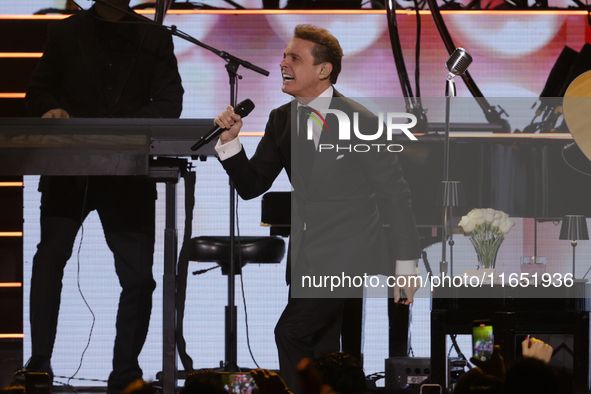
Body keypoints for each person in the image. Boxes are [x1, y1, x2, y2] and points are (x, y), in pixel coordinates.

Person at [214, 24, 420, 393]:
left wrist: (406, 263)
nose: (282, 63)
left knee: (290, 332)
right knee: (321, 354)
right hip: (307, 255)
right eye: (283, 55)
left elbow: (395, 194)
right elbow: (252, 185)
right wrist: (230, 145)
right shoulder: (280, 119)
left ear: (323, 70)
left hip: (348, 254)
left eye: (294, 57)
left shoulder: (361, 121)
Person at [16, 0, 183, 390]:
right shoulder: (65, 32)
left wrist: (116, 133)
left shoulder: (154, 36)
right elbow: (38, 91)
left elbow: (169, 103)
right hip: (70, 168)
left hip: (128, 172)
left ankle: (125, 372)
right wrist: (52, 108)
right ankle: (39, 360)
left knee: (139, 278)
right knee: (49, 257)